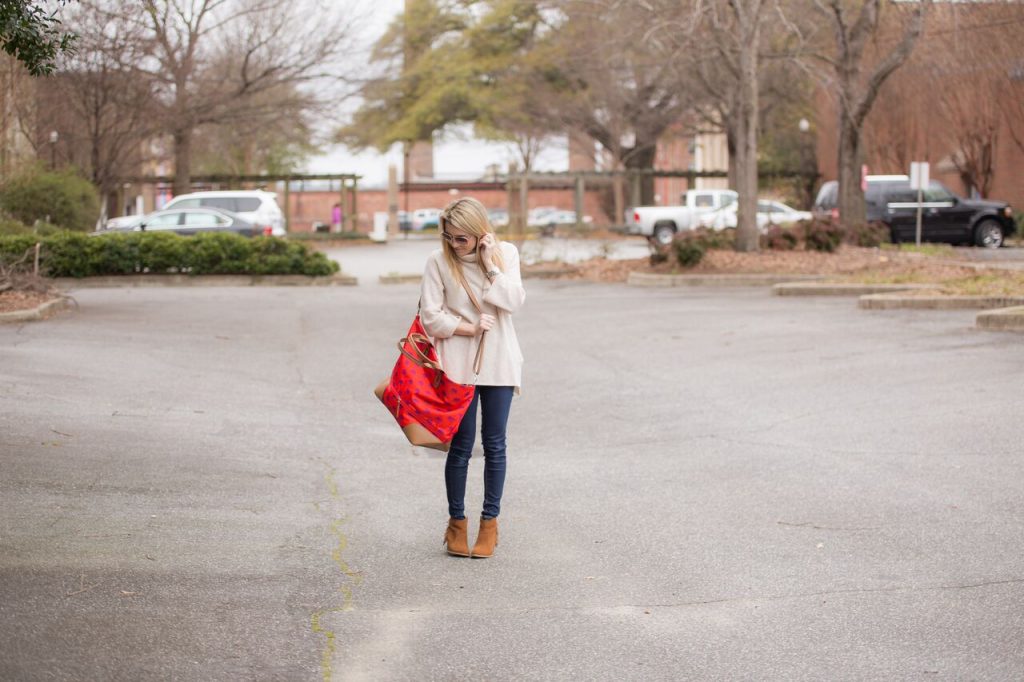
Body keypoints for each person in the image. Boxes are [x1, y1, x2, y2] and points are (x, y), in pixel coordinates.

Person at [419, 197, 526, 559]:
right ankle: (456, 524)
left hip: (499, 361)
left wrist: (489, 265)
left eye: (462, 239)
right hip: (457, 365)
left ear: (480, 234)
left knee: (495, 444)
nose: (454, 245)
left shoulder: (505, 254)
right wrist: (467, 328)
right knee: (462, 447)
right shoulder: (438, 262)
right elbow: (431, 317)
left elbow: (514, 301)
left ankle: (490, 525)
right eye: (449, 237)